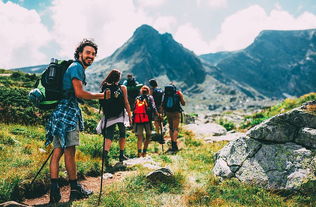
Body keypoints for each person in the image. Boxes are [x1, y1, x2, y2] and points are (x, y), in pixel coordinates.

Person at [45, 39, 104, 203]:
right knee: (68, 153)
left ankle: (56, 191)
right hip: (68, 114)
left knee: (59, 152)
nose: (90, 56)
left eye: (93, 54)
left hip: (59, 113)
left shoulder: (73, 67)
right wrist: (101, 96)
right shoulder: (77, 67)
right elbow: (79, 93)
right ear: (80, 53)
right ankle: (73, 190)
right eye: (87, 52)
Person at [98, 69, 132, 166]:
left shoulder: (104, 86)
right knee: (122, 133)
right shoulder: (122, 88)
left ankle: (104, 157)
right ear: (118, 78)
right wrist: (130, 115)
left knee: (109, 136)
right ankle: (121, 155)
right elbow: (126, 102)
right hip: (120, 114)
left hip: (108, 115)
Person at [133, 85, 159, 157]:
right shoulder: (150, 98)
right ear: (148, 91)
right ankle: (144, 152)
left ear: (141, 91)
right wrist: (157, 115)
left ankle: (139, 153)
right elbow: (153, 107)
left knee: (140, 137)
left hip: (138, 120)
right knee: (148, 136)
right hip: (147, 120)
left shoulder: (137, 98)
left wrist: (133, 121)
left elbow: (134, 109)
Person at [161, 83, 185, 153]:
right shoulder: (178, 93)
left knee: (171, 128)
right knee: (175, 128)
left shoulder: (165, 94)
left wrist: (161, 114)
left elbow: (162, 104)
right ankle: (174, 144)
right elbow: (183, 103)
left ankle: (172, 143)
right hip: (176, 113)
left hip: (168, 112)